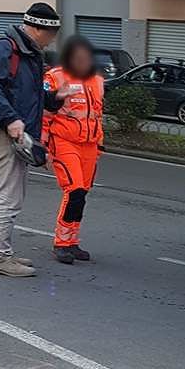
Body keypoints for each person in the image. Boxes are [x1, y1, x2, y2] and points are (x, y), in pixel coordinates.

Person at [0, 2, 68, 276]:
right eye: (52, 33)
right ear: (39, 29)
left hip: (17, 133)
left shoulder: (29, 55)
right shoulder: (5, 50)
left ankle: (0, 251)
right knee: (9, 198)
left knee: (11, 197)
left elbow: (30, 96)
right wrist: (10, 119)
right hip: (4, 134)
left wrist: (54, 100)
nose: (53, 39)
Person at [42, 36, 104, 264]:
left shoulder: (97, 81)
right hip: (64, 142)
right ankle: (61, 243)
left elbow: (97, 115)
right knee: (74, 190)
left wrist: (99, 145)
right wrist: (44, 147)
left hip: (89, 145)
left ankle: (72, 242)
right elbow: (45, 115)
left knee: (82, 194)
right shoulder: (55, 77)